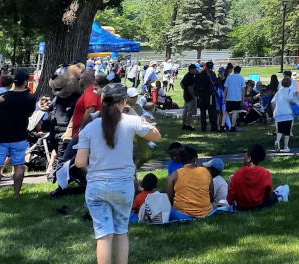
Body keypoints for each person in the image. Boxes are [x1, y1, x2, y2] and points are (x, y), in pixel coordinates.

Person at [75, 82, 162, 264]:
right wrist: (136, 114)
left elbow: (80, 162)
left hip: (96, 186)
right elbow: (156, 136)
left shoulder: (90, 128)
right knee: (121, 231)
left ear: (102, 101)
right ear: (124, 101)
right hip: (123, 184)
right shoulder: (132, 122)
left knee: (103, 235)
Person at [0, 69, 36, 200]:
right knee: (18, 165)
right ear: (26, 82)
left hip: (1, 135)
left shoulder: (3, 97)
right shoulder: (31, 98)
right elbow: (30, 114)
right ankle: (16, 194)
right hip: (19, 134)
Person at [167, 146, 214, 221]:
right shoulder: (206, 172)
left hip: (181, 215)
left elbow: (169, 198)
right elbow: (211, 195)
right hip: (206, 213)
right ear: (195, 159)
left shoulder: (174, 175)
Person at [229, 143, 276, 209]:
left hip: (241, 206)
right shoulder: (265, 173)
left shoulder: (237, 175)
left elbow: (231, 196)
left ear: (249, 158)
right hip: (259, 204)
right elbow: (268, 192)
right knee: (273, 196)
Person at [273, 75, 297, 152]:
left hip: (278, 113)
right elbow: (290, 99)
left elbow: (273, 102)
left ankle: (277, 141)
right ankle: (286, 147)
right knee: (287, 131)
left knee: (280, 130)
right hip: (287, 113)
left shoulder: (278, 92)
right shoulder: (289, 91)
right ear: (290, 84)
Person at [193, 62, 217, 132]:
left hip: (201, 95)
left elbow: (196, 85)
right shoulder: (211, 74)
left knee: (203, 112)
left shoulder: (199, 75)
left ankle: (203, 127)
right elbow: (215, 83)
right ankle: (213, 126)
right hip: (209, 95)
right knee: (212, 112)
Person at [224, 66, 246, 130]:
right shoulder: (241, 78)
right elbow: (243, 89)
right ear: (239, 71)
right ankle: (233, 126)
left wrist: (224, 97)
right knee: (235, 112)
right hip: (237, 97)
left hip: (229, 97)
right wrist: (242, 98)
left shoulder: (229, 77)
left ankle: (222, 125)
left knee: (226, 111)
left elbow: (226, 88)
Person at [180, 64, 198, 130]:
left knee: (185, 111)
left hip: (186, 95)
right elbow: (190, 88)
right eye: (195, 69)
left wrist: (185, 89)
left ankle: (184, 124)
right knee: (190, 112)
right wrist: (193, 96)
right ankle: (188, 125)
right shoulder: (191, 77)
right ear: (192, 69)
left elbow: (181, 84)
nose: (196, 70)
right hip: (190, 97)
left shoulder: (186, 76)